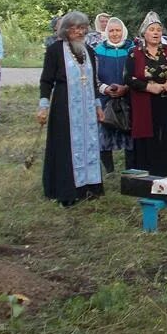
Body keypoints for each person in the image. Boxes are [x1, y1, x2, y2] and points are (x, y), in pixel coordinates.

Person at [37, 11, 105, 206]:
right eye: (75, 28)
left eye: (82, 27)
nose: (79, 32)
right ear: (66, 30)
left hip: (87, 106)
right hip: (64, 105)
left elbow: (93, 81)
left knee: (89, 142)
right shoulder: (55, 51)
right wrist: (43, 105)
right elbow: (46, 80)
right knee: (66, 145)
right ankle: (66, 190)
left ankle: (90, 186)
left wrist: (98, 106)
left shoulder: (89, 52)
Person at [125, 12, 167, 181]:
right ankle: (149, 173)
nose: (156, 33)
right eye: (152, 29)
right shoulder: (134, 53)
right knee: (148, 137)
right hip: (146, 101)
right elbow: (128, 78)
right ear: (144, 32)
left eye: (159, 29)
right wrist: (148, 87)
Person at [94, 17, 134, 173]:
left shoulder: (132, 49)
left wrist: (126, 88)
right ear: (106, 32)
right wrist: (104, 88)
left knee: (130, 133)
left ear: (123, 31)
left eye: (118, 30)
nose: (115, 34)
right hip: (105, 98)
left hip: (128, 97)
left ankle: (130, 170)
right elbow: (94, 76)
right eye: (111, 30)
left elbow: (137, 73)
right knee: (104, 133)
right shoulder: (98, 51)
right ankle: (109, 170)